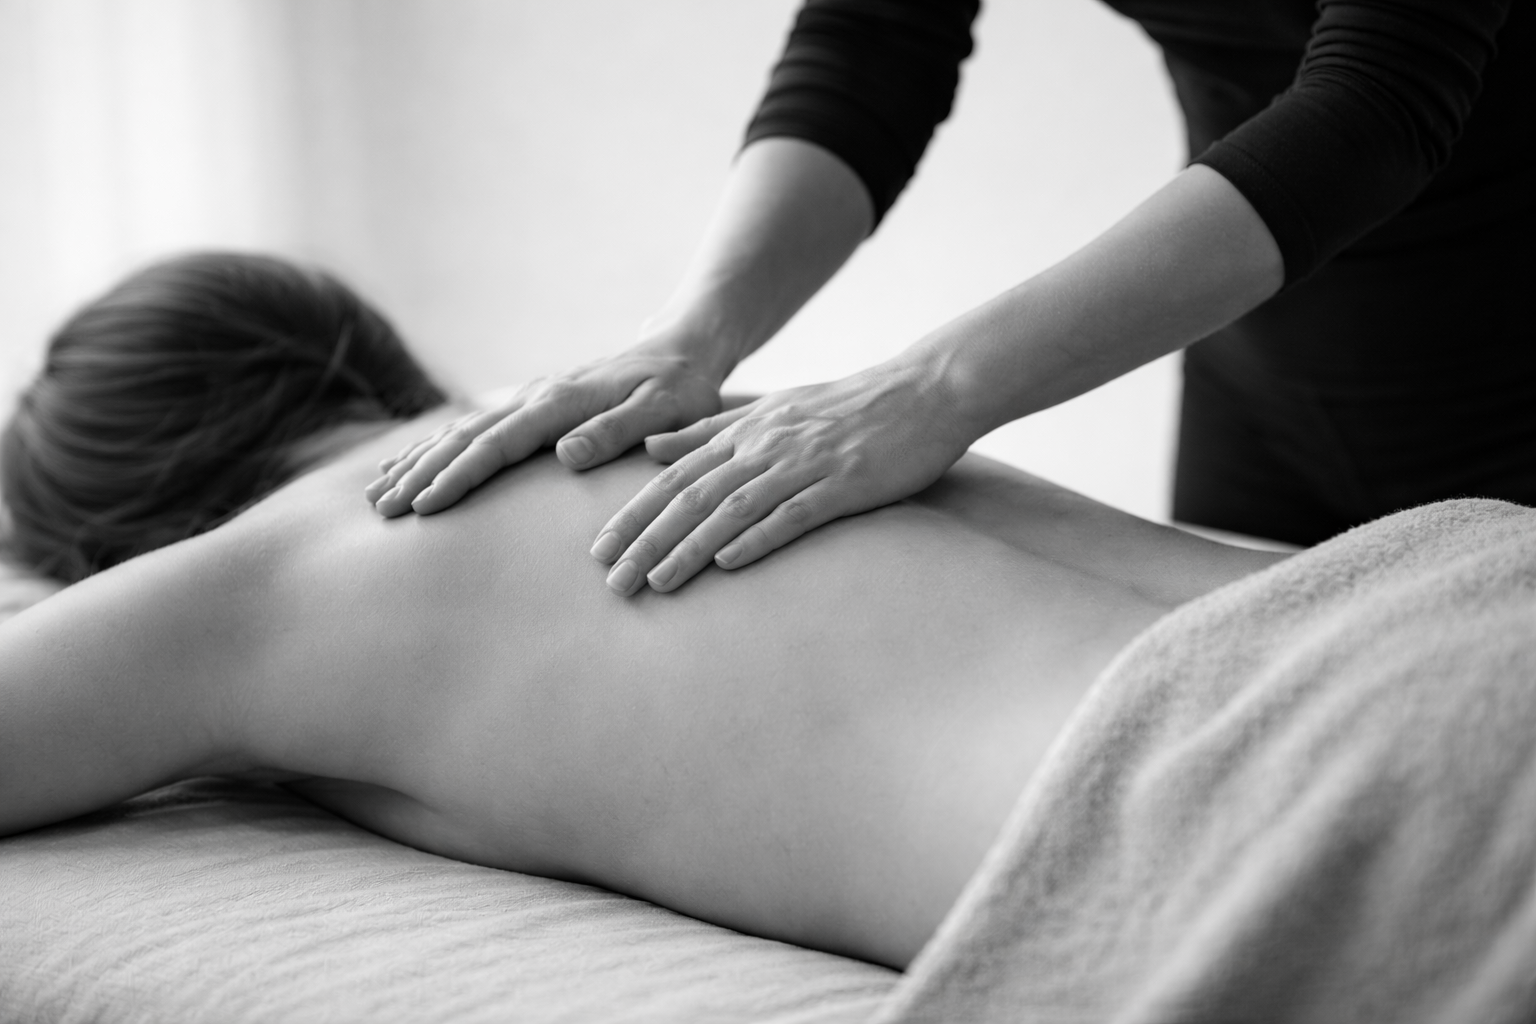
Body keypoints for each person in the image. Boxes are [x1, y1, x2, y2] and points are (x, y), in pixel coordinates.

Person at [0, 252, 1287, 968]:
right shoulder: (673, 411)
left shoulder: (266, 573)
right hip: (1382, 601)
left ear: (117, 548)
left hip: (1252, 801)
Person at [364, 0, 1529, 595]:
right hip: (1261, 363)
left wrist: (931, 392)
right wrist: (689, 336)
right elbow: (874, 45)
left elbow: (1379, 106)